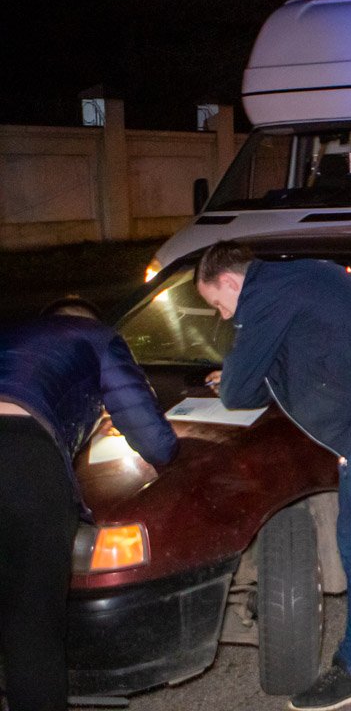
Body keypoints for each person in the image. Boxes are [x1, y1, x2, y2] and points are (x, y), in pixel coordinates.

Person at [194, 241, 351, 711]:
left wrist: (237, 370)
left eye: (219, 305)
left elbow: (240, 390)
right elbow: (301, 351)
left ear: (230, 282)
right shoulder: (293, 279)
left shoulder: (262, 296)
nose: (223, 316)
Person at [0, 297, 177, 711]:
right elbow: (153, 438)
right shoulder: (98, 338)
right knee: (31, 632)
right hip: (20, 461)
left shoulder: (10, 335)